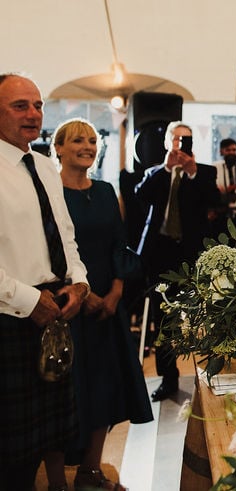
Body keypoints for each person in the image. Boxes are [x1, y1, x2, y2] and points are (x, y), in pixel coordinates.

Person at [47, 118, 152, 491]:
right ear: (58, 148)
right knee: (66, 391)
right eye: (78, 140)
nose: (88, 146)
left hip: (108, 306)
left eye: (92, 140)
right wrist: (82, 292)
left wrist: (117, 291)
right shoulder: (49, 191)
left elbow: (118, 244)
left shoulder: (107, 191)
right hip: (68, 306)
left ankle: (91, 470)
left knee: (106, 385)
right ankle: (57, 479)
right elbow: (50, 248)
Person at [0, 73, 91, 490]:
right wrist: (26, 299)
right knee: (12, 457)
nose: (33, 114)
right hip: (10, 318)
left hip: (57, 308)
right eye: (21, 106)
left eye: (38, 106)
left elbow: (64, 233)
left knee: (53, 436)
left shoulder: (42, 165)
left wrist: (80, 282)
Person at [135, 121, 220, 401]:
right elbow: (140, 197)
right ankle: (168, 379)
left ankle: (209, 374)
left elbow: (216, 202)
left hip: (191, 253)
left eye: (187, 140)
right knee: (163, 321)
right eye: (177, 139)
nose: (182, 145)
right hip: (159, 253)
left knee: (201, 315)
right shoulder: (155, 172)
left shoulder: (205, 172)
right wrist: (167, 168)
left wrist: (193, 173)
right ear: (168, 142)